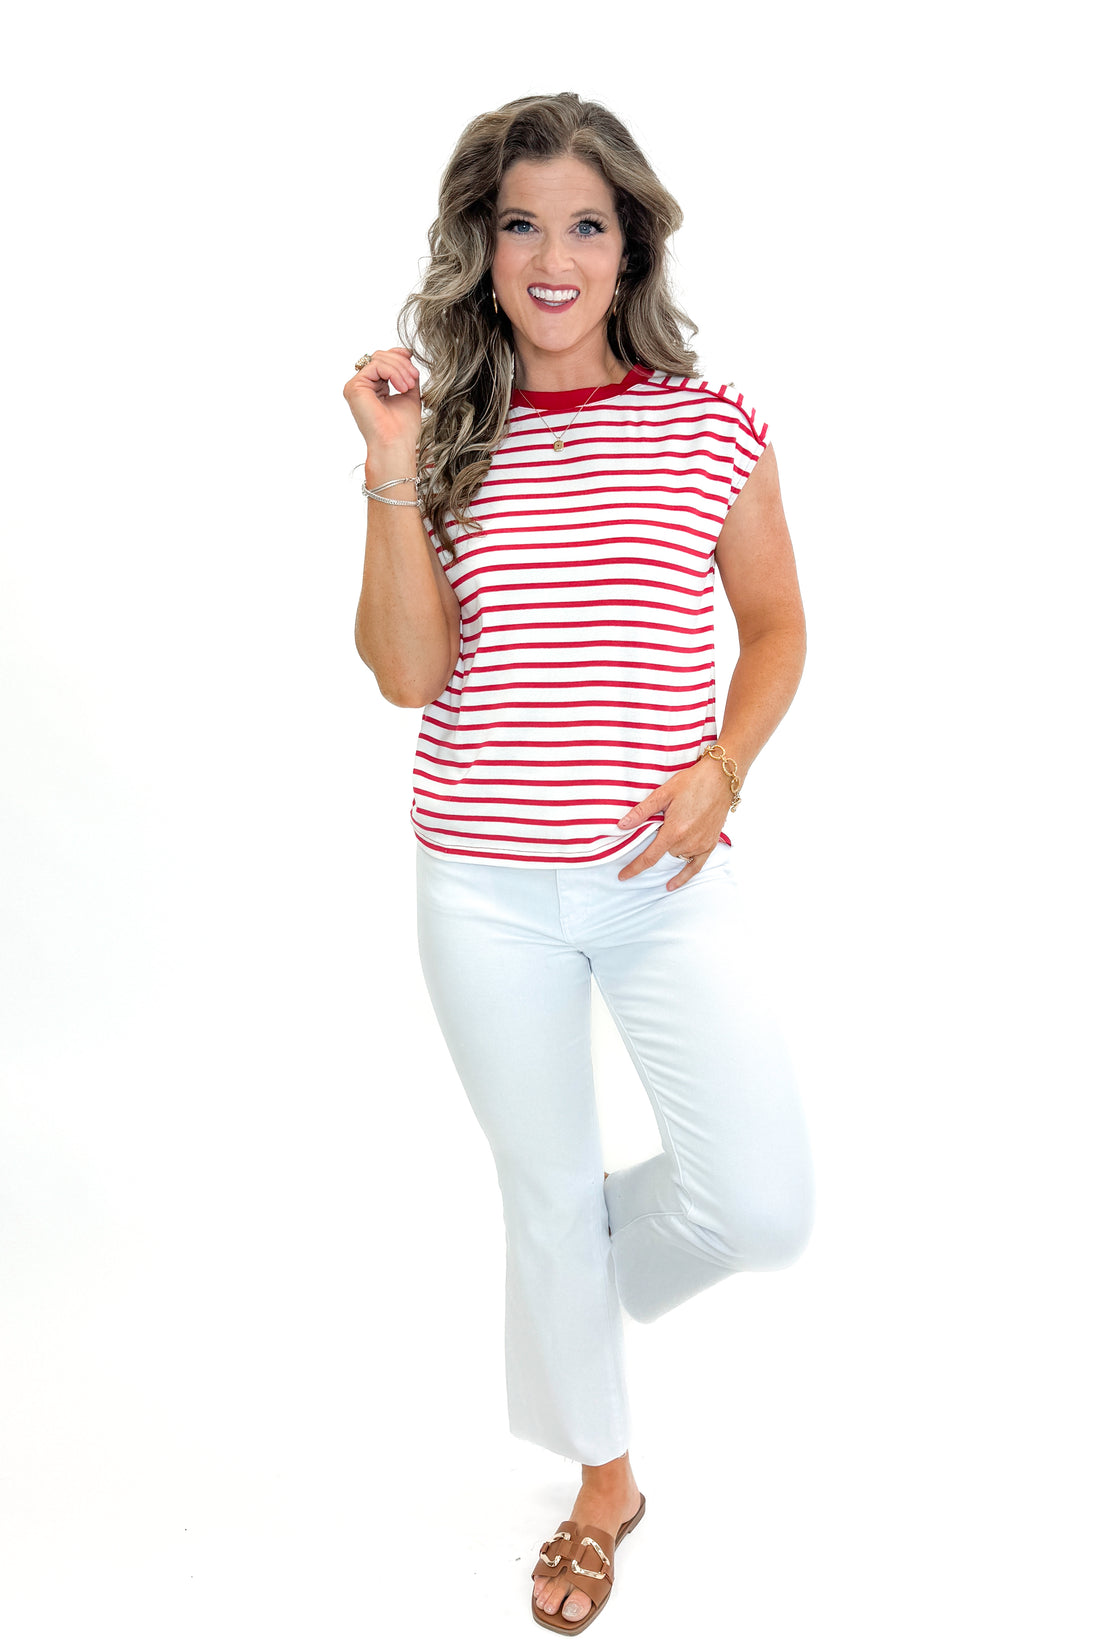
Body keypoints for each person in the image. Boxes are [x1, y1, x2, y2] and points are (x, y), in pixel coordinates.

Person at [343, 91, 815, 1635]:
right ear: (484, 249)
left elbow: (779, 625)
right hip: (480, 887)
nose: (553, 254)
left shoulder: (708, 422)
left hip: (663, 882)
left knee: (758, 1204)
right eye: (522, 222)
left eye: (586, 222)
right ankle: (603, 1481)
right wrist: (395, 467)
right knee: (541, 1186)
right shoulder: (448, 434)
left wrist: (724, 765)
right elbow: (408, 675)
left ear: (631, 246)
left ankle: (573, 1247)